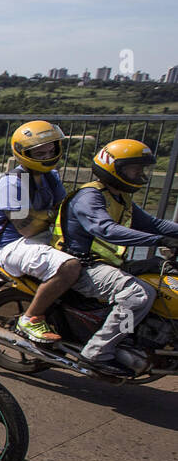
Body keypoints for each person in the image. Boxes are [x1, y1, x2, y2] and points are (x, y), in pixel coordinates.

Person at [54, 139, 178, 372]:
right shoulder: (90, 197)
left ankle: (139, 339)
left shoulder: (120, 197)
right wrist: (159, 241)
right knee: (139, 294)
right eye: (135, 168)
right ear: (115, 168)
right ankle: (97, 352)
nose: (140, 173)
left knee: (161, 273)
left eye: (142, 168)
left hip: (109, 264)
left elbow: (154, 225)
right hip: (81, 267)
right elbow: (106, 230)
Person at [0, 120, 78, 343]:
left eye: (50, 149)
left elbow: (63, 208)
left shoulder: (50, 177)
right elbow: (28, 228)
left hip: (40, 238)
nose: (47, 155)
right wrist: (54, 215)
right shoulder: (11, 184)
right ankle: (30, 318)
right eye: (40, 151)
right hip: (11, 245)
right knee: (70, 268)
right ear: (24, 153)